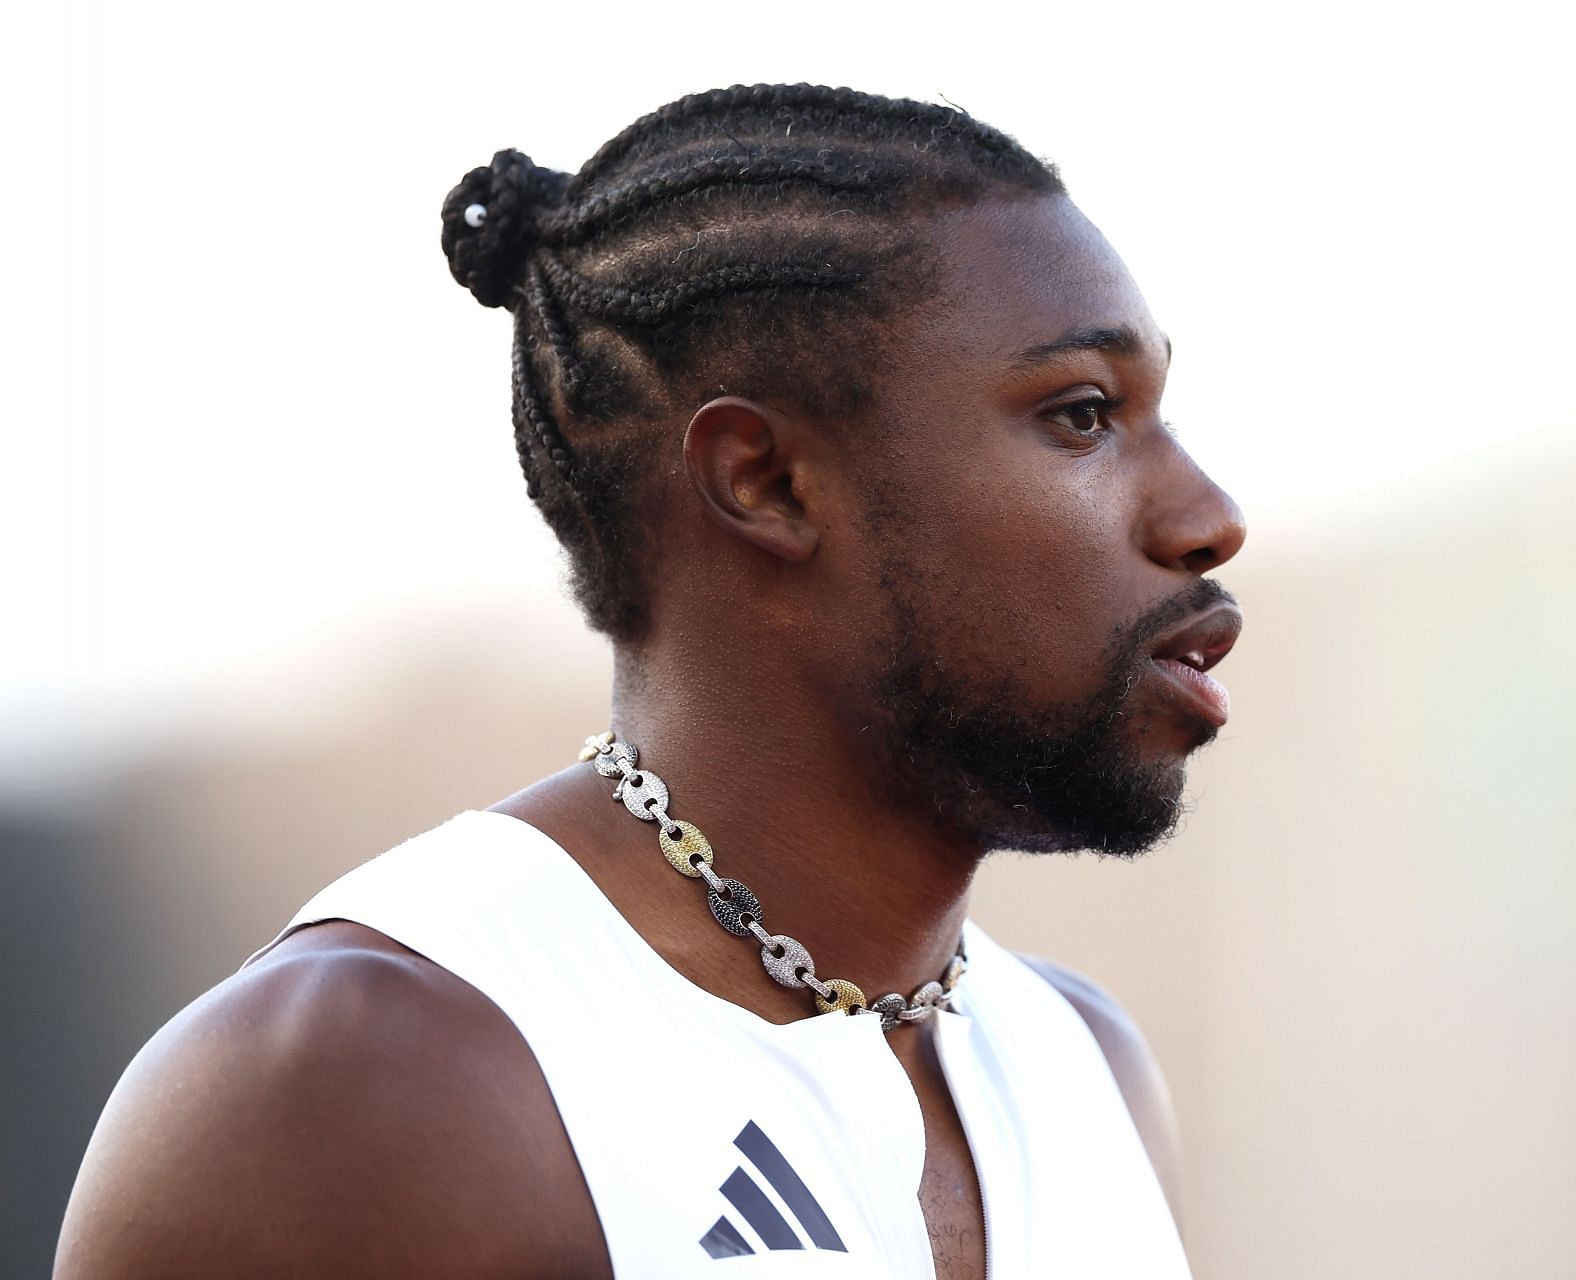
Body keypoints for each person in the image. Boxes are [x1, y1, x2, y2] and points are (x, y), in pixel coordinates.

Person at [54, 82, 1246, 1279]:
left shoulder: (1089, 1070)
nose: (1209, 517)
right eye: (1084, 414)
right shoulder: (362, 1084)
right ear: (766, 482)